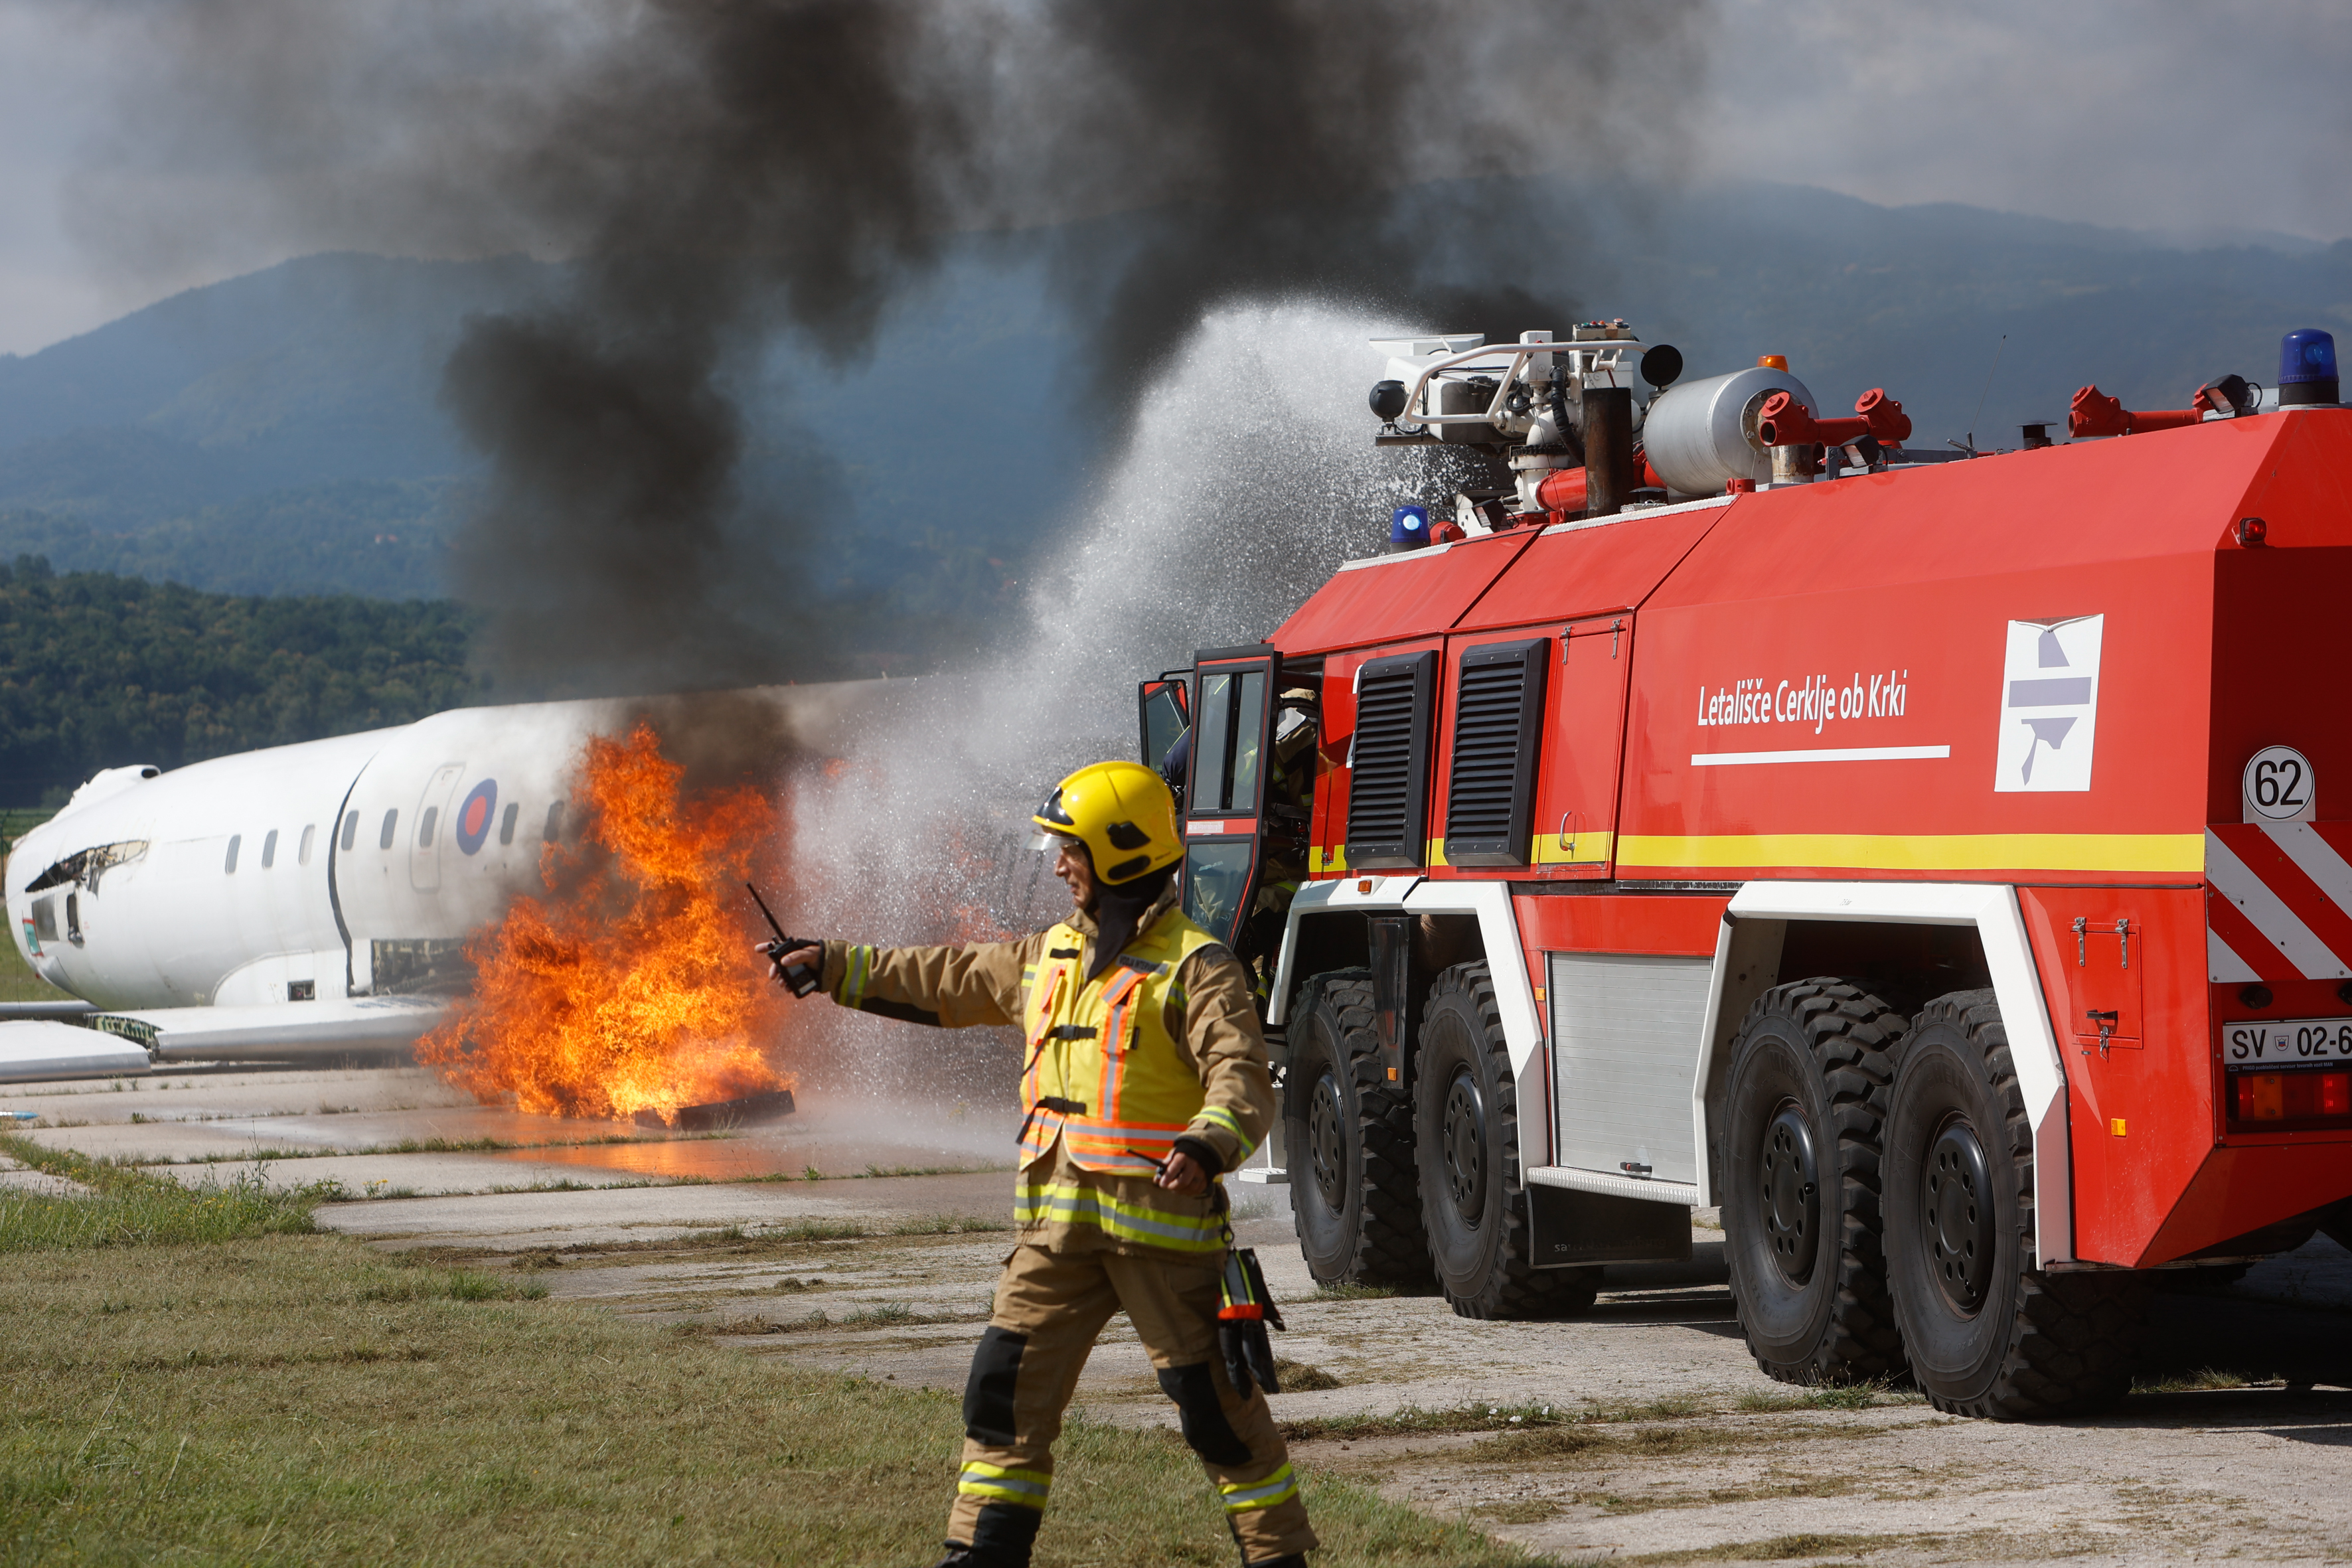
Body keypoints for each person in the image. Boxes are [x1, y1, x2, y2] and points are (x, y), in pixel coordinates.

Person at [763, 761, 1317, 1568]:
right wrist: (832, 964)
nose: (1058, 864)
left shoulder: (1197, 967)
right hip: (1054, 1237)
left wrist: (1208, 1141)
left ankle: (1279, 1559)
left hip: (1161, 1243)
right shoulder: (1047, 955)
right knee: (1001, 1396)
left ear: (1120, 854)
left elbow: (1239, 1075)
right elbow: (943, 978)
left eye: (1071, 850)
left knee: (1215, 1413)